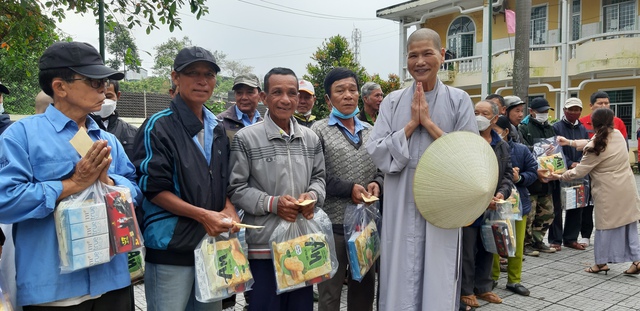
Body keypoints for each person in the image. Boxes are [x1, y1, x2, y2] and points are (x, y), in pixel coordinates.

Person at [0, 41, 141, 309]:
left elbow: (134, 190)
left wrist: (108, 183)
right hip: (54, 289)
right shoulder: (22, 136)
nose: (103, 89)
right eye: (92, 81)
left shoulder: (108, 139)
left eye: (105, 81)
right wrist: (72, 184)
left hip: (113, 281)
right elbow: (5, 200)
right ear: (60, 87)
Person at [366, 28, 477, 311]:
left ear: (442, 55)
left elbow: (469, 156)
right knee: (399, 269)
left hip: (443, 204)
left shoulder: (459, 99)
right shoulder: (391, 101)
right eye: (413, 55)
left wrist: (428, 123)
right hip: (401, 201)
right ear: (406, 59)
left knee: (438, 272)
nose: (420, 61)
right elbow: (376, 150)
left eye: (427, 53)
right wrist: (410, 126)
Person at [132, 46, 238, 311]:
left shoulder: (218, 129)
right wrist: (204, 216)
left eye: (209, 74)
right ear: (175, 78)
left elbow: (220, 180)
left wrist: (228, 208)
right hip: (171, 248)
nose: (202, 80)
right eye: (192, 73)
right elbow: (153, 189)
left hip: (211, 246)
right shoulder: (158, 126)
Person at [228, 67, 326, 311]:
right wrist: (273, 203)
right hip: (264, 247)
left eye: (292, 93)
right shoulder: (246, 138)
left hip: (302, 243)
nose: (286, 99)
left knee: (301, 307)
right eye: (277, 92)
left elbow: (320, 178)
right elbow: (236, 188)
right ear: (264, 98)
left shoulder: (310, 138)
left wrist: (312, 196)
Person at [311, 68, 383, 311]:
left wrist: (378, 184)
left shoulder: (371, 131)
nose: (348, 95)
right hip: (333, 225)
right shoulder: (318, 131)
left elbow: (382, 168)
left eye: (352, 89)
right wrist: (348, 188)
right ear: (328, 99)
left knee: (364, 287)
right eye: (340, 90)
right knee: (330, 291)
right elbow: (316, 174)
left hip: (365, 224)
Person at [552, 108, 640, 275]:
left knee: (605, 227)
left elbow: (579, 172)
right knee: (629, 225)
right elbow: (593, 141)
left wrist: (557, 176)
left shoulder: (594, 147)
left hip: (608, 191)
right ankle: (637, 260)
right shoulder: (618, 135)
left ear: (593, 124)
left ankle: (601, 263)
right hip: (627, 188)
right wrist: (569, 142)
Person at [460, 101, 512, 308]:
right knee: (467, 250)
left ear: (495, 118)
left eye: (484, 113)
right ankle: (465, 290)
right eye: (475, 112)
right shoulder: (465, 142)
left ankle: (483, 287)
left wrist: (501, 194)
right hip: (470, 206)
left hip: (493, 207)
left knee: (489, 246)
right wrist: (480, 197)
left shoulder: (501, 145)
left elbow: (507, 174)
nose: (479, 116)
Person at [491, 116, 538, 296]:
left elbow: (533, 171)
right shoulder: (485, 148)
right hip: (495, 203)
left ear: (506, 132)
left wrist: (520, 178)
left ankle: (514, 280)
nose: (493, 134)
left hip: (518, 205)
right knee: (494, 240)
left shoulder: (521, 150)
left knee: (516, 244)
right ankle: (492, 277)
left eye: (496, 130)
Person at [578, 91, 628, 247]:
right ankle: (585, 234)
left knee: (608, 208)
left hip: (608, 174)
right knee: (586, 203)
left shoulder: (618, 123)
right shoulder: (582, 122)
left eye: (607, 103)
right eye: (600, 103)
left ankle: (610, 243)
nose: (604, 106)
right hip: (587, 168)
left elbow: (622, 147)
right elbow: (585, 144)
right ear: (591, 106)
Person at [548, 98, 589, 251]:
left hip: (578, 173)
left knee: (576, 205)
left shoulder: (583, 129)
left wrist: (579, 163)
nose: (573, 112)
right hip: (561, 173)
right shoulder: (556, 127)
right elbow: (555, 150)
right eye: (570, 109)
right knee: (557, 207)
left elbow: (587, 148)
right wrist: (570, 162)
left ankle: (571, 238)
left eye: (577, 109)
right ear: (564, 110)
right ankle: (555, 240)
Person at [518, 97, 557, 255]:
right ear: (532, 112)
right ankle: (526, 244)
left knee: (547, 212)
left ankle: (538, 240)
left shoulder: (550, 128)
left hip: (548, 177)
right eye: (541, 111)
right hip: (532, 179)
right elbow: (523, 151)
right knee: (530, 215)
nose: (544, 114)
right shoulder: (524, 128)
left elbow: (556, 150)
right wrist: (538, 148)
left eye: (546, 111)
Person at [89, 80, 138, 159]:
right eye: (99, 94)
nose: (103, 100)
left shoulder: (132, 133)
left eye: (108, 96)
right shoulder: (80, 130)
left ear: (118, 95)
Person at [217, 73, 263, 140]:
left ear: (260, 96)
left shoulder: (264, 124)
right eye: (239, 93)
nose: (244, 97)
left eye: (250, 92)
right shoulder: (220, 122)